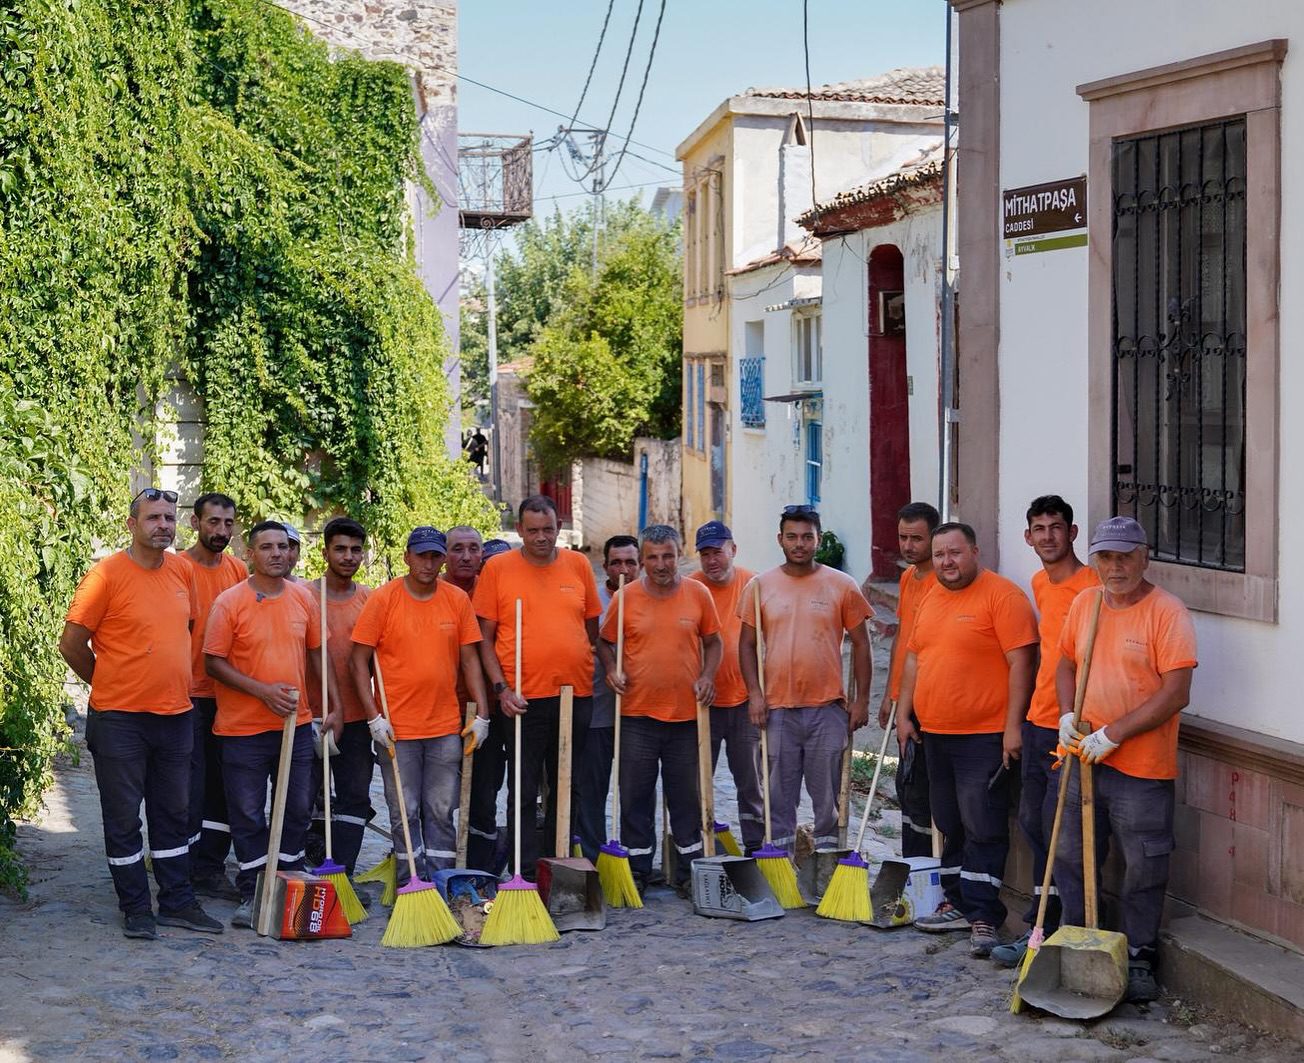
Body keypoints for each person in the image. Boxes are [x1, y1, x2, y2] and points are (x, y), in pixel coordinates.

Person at [60, 487, 223, 939]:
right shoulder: (106, 575)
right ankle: (135, 908)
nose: (163, 526)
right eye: (153, 518)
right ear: (132, 524)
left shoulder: (181, 572)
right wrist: (109, 683)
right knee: (123, 817)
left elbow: (184, 629)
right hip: (120, 720)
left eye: (169, 518)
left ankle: (176, 900)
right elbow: (71, 643)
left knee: (174, 813)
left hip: (175, 715)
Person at [1055, 516, 1196, 1003]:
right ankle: (1077, 936)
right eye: (1105, 557)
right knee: (1071, 854)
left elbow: (1176, 692)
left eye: (1124, 556)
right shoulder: (1085, 602)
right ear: (1093, 559)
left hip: (1141, 766)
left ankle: (1139, 954)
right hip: (1082, 757)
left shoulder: (1166, 612)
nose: (1114, 567)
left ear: (1144, 556)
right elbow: (1067, 661)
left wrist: (1114, 734)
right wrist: (1068, 711)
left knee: (1143, 865)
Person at [897, 521, 1038, 957]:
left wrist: (1013, 728)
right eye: (939, 555)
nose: (946, 562)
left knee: (984, 825)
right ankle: (957, 903)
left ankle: (983, 917)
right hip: (935, 734)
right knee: (950, 822)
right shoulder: (931, 597)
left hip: (985, 736)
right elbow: (914, 661)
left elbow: (1022, 664)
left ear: (975, 552)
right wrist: (905, 714)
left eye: (955, 553)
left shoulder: (1003, 596)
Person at [204, 520, 338, 928]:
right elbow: (213, 662)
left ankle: (288, 885)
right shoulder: (229, 602)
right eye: (267, 547)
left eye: (283, 546)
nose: (277, 553)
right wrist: (261, 691)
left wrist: (330, 704)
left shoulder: (304, 599)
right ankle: (253, 891)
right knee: (247, 814)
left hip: (295, 727)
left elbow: (318, 655)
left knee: (298, 807)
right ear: (250, 553)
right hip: (241, 730)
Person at [990, 496, 1100, 968]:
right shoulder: (1038, 582)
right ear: (1028, 537)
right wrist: (1016, 723)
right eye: (1040, 528)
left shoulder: (1093, 586)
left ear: (1072, 533)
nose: (1049, 536)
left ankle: (1061, 930)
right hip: (1039, 721)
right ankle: (1043, 923)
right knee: (1035, 824)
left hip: (1076, 726)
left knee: (1067, 835)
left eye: (1057, 527)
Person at [472, 496, 601, 879]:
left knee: (567, 785)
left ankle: (557, 864)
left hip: (574, 695)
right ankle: (523, 870)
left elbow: (590, 625)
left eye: (548, 529)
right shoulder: (498, 569)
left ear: (558, 527)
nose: (541, 538)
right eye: (533, 531)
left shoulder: (578, 564)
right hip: (522, 699)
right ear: (519, 531)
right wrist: (501, 690)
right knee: (524, 789)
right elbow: (483, 639)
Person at [350, 527, 488, 883]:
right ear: (407, 557)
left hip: (444, 727)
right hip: (397, 729)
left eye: (435, 556)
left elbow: (471, 660)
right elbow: (357, 660)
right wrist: (373, 718)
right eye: (421, 555)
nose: (428, 563)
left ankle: (442, 883)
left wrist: (482, 714)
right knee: (404, 812)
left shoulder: (456, 599)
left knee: (442, 810)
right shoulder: (384, 600)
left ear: (443, 559)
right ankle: (410, 883)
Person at [738, 505, 873, 858]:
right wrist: (754, 694)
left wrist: (861, 701)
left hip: (827, 708)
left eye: (807, 537)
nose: (799, 544)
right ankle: (781, 867)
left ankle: (826, 869)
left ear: (818, 539)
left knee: (827, 799)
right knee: (779, 798)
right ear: (780, 539)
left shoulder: (842, 585)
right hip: (777, 709)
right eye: (792, 537)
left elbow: (862, 643)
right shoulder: (759, 586)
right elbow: (747, 644)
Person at [599, 525, 721, 894]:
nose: (661, 564)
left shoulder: (698, 594)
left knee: (686, 797)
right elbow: (605, 643)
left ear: (678, 554)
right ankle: (638, 869)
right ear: (644, 560)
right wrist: (611, 669)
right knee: (635, 795)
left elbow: (714, 643)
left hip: (686, 717)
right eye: (652, 557)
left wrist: (708, 675)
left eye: (668, 556)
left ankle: (687, 871)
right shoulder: (626, 598)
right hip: (637, 716)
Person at [180, 492, 247, 902]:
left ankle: (211, 868)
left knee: (223, 785)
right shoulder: (176, 569)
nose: (221, 530)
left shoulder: (239, 570)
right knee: (187, 786)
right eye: (213, 522)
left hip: (228, 695)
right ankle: (181, 866)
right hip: (185, 695)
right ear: (195, 523)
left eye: (228, 524)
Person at [689, 521, 763, 853]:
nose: (711, 560)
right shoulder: (689, 587)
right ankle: (698, 843)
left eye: (717, 552)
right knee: (698, 781)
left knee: (751, 782)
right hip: (702, 704)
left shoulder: (755, 586)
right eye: (705, 554)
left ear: (733, 549)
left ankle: (756, 845)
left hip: (745, 702)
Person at [304, 517, 372, 875]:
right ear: (326, 550)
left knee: (354, 798)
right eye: (340, 549)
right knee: (301, 797)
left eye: (355, 549)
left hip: (358, 718)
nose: (348, 556)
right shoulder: (304, 595)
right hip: (310, 716)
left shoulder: (370, 600)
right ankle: (296, 870)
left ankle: (342, 873)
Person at [874, 502, 941, 860]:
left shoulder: (940, 582)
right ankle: (912, 865)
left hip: (927, 700)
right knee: (907, 786)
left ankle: (927, 866)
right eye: (903, 537)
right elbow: (902, 637)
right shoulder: (906, 577)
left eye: (917, 538)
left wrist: (910, 702)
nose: (908, 546)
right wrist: (890, 694)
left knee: (921, 788)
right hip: (904, 697)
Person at [441, 525, 508, 874]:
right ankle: (435, 864)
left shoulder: (493, 590)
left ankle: (480, 869)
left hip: (486, 712)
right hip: (439, 711)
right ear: (445, 554)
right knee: (438, 797)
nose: (466, 556)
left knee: (483, 794)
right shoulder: (434, 590)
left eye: (473, 549)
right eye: (457, 549)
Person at [576, 534, 640, 861]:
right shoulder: (593, 603)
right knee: (592, 791)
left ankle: (634, 860)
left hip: (640, 716)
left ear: (640, 565)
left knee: (634, 793)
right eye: (617, 562)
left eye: (631, 562)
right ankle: (593, 860)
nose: (624, 569)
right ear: (605, 567)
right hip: (599, 712)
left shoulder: (650, 598)